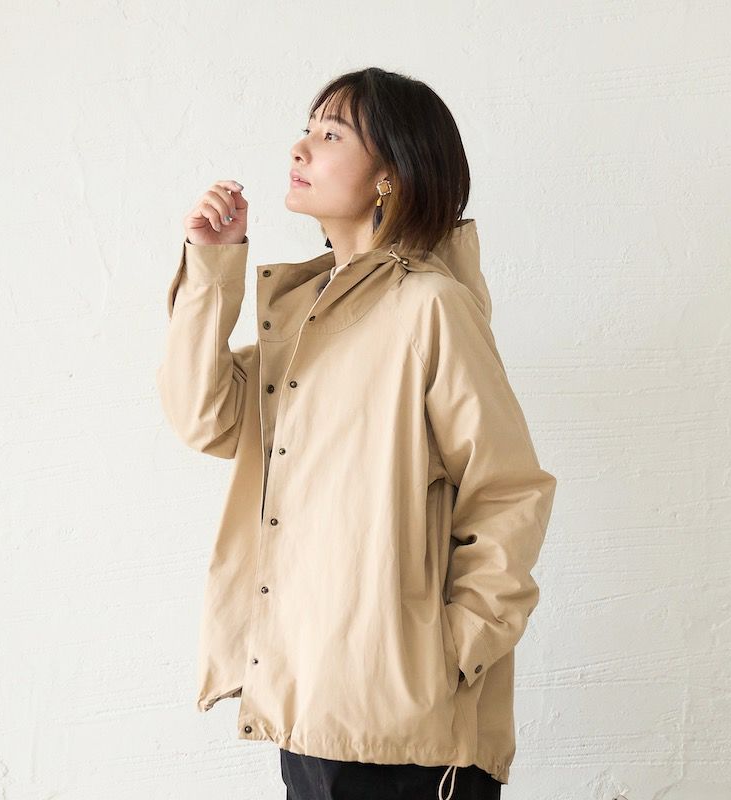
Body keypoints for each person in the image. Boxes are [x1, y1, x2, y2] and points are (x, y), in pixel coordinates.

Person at [156, 67, 557, 800]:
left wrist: (448, 654)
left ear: (389, 176)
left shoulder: (430, 308)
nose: (301, 148)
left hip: (409, 727)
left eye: (332, 134)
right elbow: (203, 416)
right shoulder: (300, 318)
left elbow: (509, 494)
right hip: (306, 705)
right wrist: (212, 267)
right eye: (307, 130)